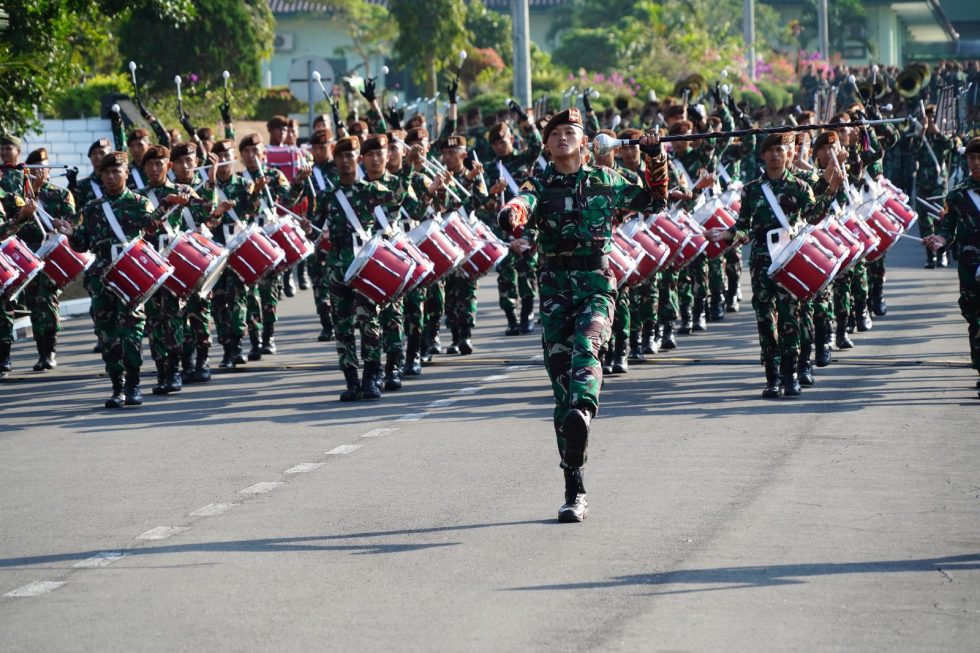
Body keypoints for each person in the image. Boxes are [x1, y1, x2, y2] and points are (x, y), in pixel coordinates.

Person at [497, 108, 668, 522]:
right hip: (556, 289)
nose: (561, 137)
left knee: (587, 346)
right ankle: (574, 482)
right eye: (554, 133)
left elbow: (655, 199)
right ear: (546, 145)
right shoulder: (540, 184)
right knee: (561, 385)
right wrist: (512, 214)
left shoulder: (607, 181)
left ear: (585, 141)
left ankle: (584, 412)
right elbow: (523, 203)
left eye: (569, 131)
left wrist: (654, 156)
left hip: (596, 282)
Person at [706, 133, 843, 398]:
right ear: (763, 156)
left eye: (780, 150)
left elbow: (814, 218)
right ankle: (772, 376)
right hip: (760, 262)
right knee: (765, 320)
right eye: (770, 151)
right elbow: (743, 226)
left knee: (790, 317)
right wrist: (727, 234)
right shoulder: (752, 189)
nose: (776, 155)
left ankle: (791, 373)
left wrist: (832, 190)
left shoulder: (800, 188)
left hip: (788, 260)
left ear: (788, 154)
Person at [63, 152, 175, 407]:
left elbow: (151, 227)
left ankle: (134, 385)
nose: (112, 177)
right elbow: (83, 244)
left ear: (126, 173)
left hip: (130, 273)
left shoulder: (138, 202)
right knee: (107, 333)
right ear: (101, 176)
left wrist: (166, 203)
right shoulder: (92, 208)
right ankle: (118, 387)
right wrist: (70, 234)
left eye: (117, 172)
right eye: (107, 173)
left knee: (132, 331)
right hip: (101, 277)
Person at [924, 136, 980, 399]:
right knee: (975, 319)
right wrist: (940, 240)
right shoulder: (957, 194)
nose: (976, 162)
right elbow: (949, 230)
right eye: (972, 158)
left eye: (979, 157)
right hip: (971, 265)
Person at [21, 148, 77, 372]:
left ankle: (51, 348)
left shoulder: (60, 194)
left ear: (49, 170)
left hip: (52, 255)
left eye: (42, 168)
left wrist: (61, 224)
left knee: (49, 300)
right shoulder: (20, 196)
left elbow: (72, 221)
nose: (39, 173)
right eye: (34, 169)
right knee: (33, 303)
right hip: (29, 256)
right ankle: (41, 351)